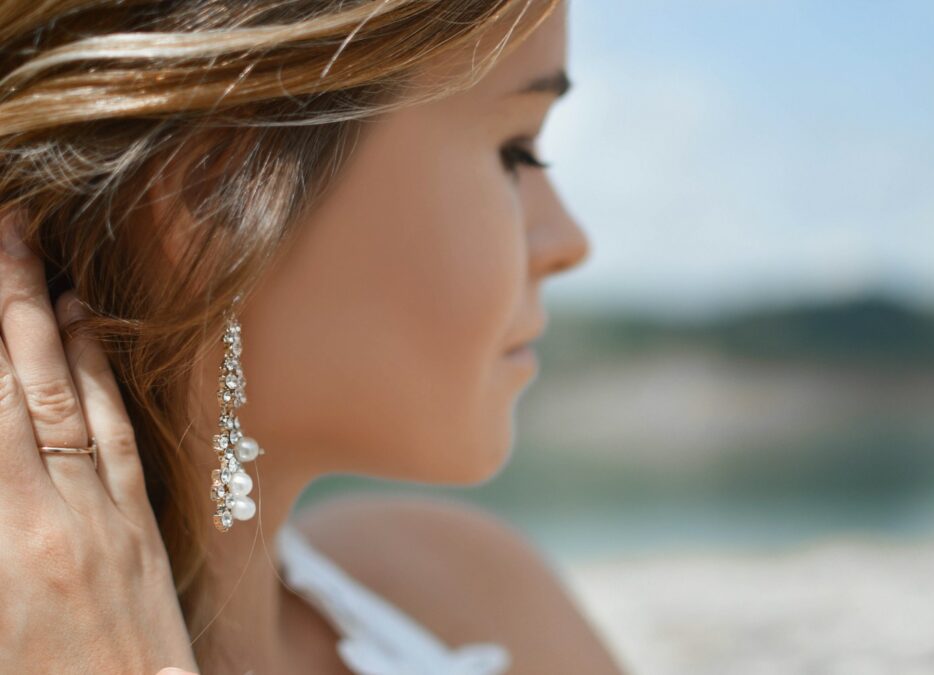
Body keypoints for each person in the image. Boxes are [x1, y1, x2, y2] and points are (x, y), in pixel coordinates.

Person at [0, 0, 624, 672]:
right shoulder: (464, 599)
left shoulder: (471, 587)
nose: (571, 242)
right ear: (217, 198)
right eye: (516, 151)